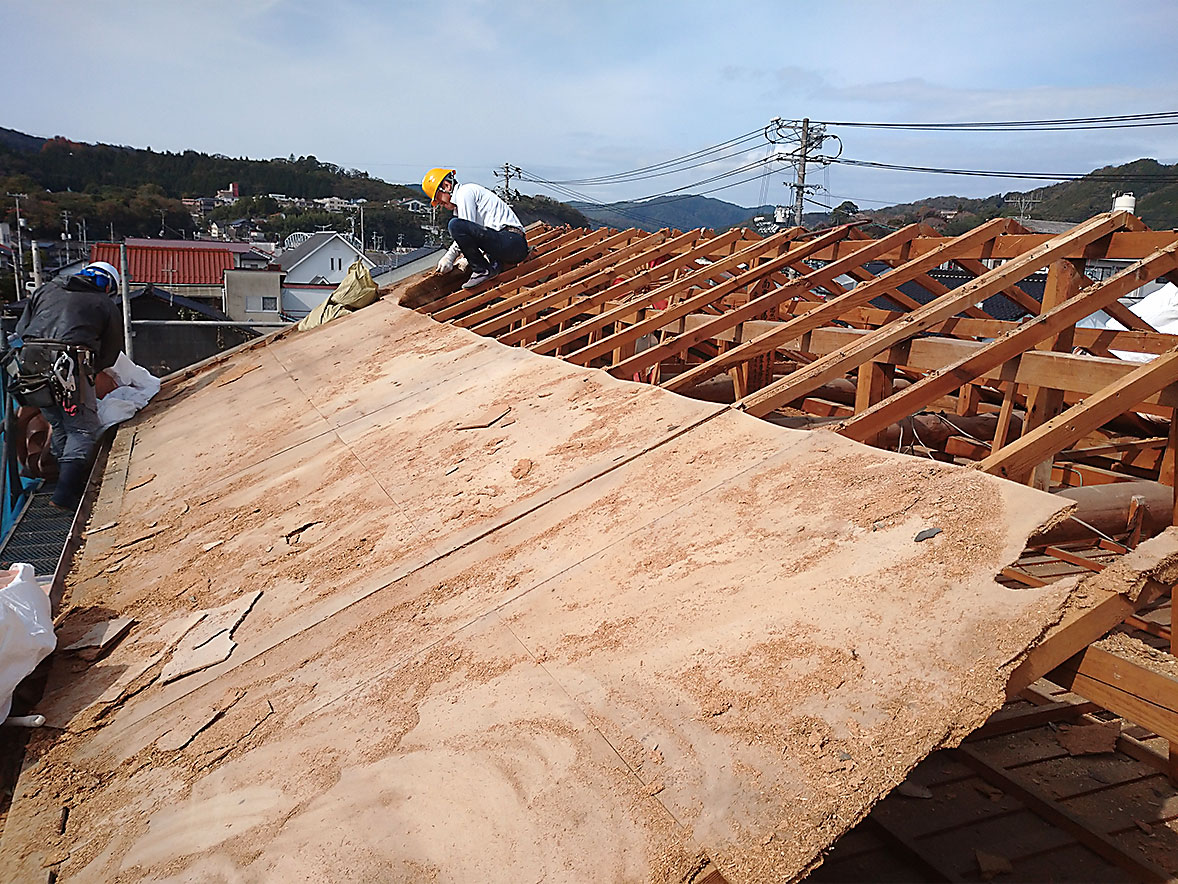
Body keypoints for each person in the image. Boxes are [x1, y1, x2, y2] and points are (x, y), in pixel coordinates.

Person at [11, 260, 124, 510]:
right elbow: (111, 350)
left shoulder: (45, 290)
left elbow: (21, 330)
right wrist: (90, 372)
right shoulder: (103, 303)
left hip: (30, 363)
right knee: (82, 428)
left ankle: (63, 482)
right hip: (70, 363)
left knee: (59, 423)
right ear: (108, 287)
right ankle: (64, 494)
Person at [422, 168, 529, 289]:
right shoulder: (461, 206)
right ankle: (491, 268)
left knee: (455, 225)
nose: (440, 203)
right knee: (458, 224)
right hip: (504, 247)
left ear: (446, 186)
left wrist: (450, 256)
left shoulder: (465, 192)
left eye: (438, 198)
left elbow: (467, 227)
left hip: (511, 242)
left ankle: (481, 270)